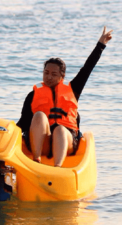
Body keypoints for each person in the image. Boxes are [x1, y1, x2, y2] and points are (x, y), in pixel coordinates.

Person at [16, 26, 113, 167]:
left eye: (53, 74)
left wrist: (101, 44)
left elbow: (87, 68)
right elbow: (23, 122)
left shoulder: (73, 89)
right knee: (38, 116)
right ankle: (36, 160)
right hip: (42, 143)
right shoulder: (33, 95)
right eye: (46, 72)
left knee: (60, 129)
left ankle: (57, 168)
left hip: (66, 141)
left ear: (62, 76)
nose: (48, 77)